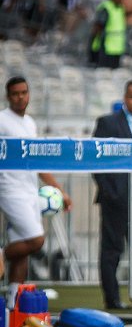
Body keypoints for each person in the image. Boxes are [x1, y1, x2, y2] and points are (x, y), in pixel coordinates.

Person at [0, 77, 71, 308]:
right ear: (8, 96)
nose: (20, 97)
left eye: (24, 92)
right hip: (10, 190)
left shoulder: (30, 123)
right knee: (36, 241)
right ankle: (1, 254)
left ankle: (13, 303)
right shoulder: (2, 121)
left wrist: (61, 191)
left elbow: (37, 163)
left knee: (23, 252)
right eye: (15, 94)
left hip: (30, 191)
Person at [92, 80, 132, 310]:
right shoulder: (108, 123)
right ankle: (112, 299)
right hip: (116, 199)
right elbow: (95, 160)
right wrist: (111, 192)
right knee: (112, 249)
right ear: (125, 98)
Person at [90, 0, 127, 69]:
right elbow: (97, 28)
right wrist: (93, 49)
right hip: (105, 48)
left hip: (117, 48)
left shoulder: (121, 8)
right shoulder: (106, 8)